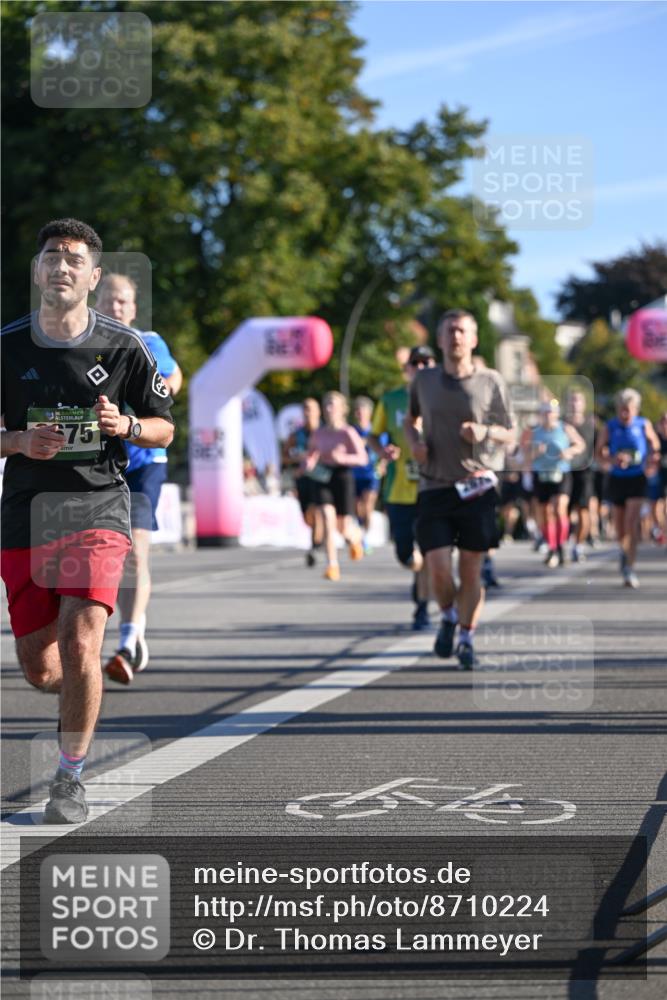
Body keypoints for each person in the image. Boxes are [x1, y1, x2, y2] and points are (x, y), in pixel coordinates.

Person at [0, 218, 174, 823]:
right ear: (37, 270)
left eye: (74, 259)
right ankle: (84, 687)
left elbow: (163, 425)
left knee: (80, 639)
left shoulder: (126, 345)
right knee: (41, 668)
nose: (62, 266)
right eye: (51, 256)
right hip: (25, 516)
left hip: (97, 506)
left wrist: (125, 426)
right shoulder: (8, 343)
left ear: (93, 276)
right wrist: (19, 440)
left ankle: (68, 779)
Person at [404, 309, 515, 669]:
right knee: (437, 568)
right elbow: (410, 420)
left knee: (471, 570)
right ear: (439, 339)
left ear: (474, 339)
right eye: (449, 331)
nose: (455, 337)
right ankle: (448, 615)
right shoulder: (423, 381)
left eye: (462, 331)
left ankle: (466, 637)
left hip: (477, 487)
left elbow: (510, 432)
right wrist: (415, 443)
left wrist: (485, 432)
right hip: (434, 485)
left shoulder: (491, 380)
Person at [95, 274, 182, 685]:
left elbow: (172, 378)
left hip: (145, 460)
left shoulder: (148, 340)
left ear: (133, 307)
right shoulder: (85, 344)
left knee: (134, 551)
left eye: (123, 301)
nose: (116, 307)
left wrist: (148, 401)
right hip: (96, 463)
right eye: (109, 300)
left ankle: (128, 641)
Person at [368, 345, 437, 631]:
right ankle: (420, 578)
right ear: (406, 369)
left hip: (433, 486)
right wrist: (383, 451)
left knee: (429, 550)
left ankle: (422, 608)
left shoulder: (444, 398)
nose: (420, 368)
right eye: (414, 363)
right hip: (399, 489)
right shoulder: (391, 399)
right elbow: (372, 436)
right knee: (406, 554)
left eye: (426, 363)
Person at [595, 388, 661, 588]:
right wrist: (612, 458)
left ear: (636, 409)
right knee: (620, 528)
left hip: (637, 478)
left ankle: (630, 568)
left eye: (629, 410)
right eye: (622, 410)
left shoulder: (643, 424)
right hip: (617, 478)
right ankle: (624, 554)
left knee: (632, 524)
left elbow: (655, 446)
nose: (625, 414)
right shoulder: (611, 426)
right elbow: (599, 452)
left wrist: (652, 460)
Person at [303, 391, 366, 581]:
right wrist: (309, 462)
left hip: (342, 476)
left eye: (333, 405)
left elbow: (362, 458)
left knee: (342, 526)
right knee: (327, 521)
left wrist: (344, 458)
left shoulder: (348, 432)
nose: (329, 409)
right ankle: (332, 566)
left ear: (342, 409)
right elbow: (312, 452)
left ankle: (355, 539)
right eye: (326, 405)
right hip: (323, 477)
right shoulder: (319, 433)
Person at [529, 398, 585, 568]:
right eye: (545, 412)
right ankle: (552, 547)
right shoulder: (534, 432)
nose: (548, 416)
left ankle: (561, 546)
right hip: (541, 474)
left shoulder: (565, 428)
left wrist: (568, 451)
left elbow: (580, 445)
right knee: (546, 512)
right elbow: (524, 455)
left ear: (556, 414)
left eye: (551, 412)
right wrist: (536, 452)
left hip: (561, 473)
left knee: (560, 507)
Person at [284, 397, 324, 566]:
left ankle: (314, 547)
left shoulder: (325, 432)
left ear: (318, 412)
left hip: (323, 478)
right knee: (307, 517)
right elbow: (284, 457)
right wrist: (297, 458)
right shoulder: (296, 435)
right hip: (303, 478)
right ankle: (317, 539)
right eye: (305, 409)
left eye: (311, 409)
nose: (308, 412)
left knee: (317, 511)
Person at [565, 390, 596, 561]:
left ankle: (579, 545)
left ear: (583, 405)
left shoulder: (590, 425)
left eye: (577, 400)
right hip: (565, 473)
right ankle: (561, 543)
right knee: (563, 510)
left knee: (584, 511)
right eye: (572, 400)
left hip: (585, 473)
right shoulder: (562, 424)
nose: (574, 404)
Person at [352, 396, 383, 554]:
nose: (360, 414)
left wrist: (383, 465)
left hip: (372, 474)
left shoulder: (376, 430)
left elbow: (384, 452)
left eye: (363, 411)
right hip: (355, 474)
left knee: (368, 505)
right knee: (358, 507)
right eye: (357, 411)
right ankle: (360, 535)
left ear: (370, 413)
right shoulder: (351, 431)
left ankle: (366, 537)